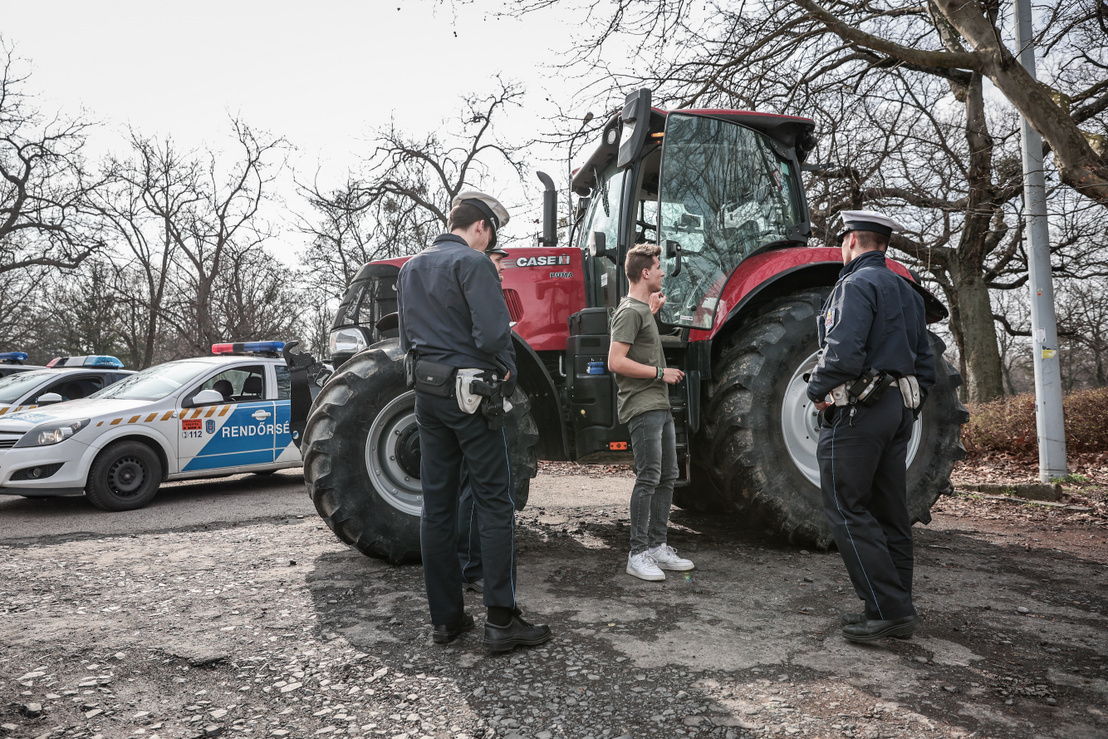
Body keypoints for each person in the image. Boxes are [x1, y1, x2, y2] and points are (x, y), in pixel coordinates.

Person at [397, 190, 551, 652]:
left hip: (427, 395)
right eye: (491, 235)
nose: (489, 245)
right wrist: (507, 365)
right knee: (494, 501)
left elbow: (408, 340)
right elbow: (491, 334)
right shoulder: (474, 263)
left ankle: (446, 620)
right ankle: (501, 621)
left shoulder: (410, 268)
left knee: (437, 506)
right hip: (472, 396)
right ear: (480, 227)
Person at [807, 209, 937, 643]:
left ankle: (886, 610)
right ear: (884, 245)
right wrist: (908, 410)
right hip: (898, 410)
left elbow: (843, 352)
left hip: (859, 412)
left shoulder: (855, 284)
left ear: (850, 241)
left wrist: (817, 392)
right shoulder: (908, 291)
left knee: (847, 507)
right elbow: (926, 363)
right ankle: (897, 605)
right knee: (890, 511)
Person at [607, 242, 695, 581]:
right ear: (645, 272)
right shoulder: (630, 311)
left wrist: (652, 312)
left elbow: (639, 340)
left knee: (668, 475)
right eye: (658, 267)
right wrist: (661, 373)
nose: (662, 271)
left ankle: (658, 546)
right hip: (642, 406)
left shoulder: (641, 310)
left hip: (658, 404)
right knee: (648, 478)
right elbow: (616, 361)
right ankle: (638, 553)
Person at [457, 243, 510, 594]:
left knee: (469, 487)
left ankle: (468, 564)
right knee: (479, 490)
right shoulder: (476, 285)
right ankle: (473, 567)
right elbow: (492, 339)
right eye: (497, 263)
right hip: (474, 397)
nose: (501, 272)